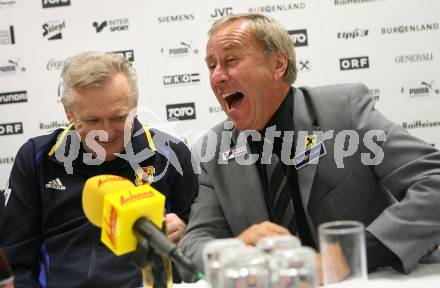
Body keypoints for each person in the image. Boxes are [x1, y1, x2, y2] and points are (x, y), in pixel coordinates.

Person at [179, 13, 440, 281]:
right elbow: (194, 243)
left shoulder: (345, 110)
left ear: (278, 64)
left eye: (231, 60)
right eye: (211, 66)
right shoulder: (216, 148)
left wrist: (348, 256)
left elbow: (435, 182)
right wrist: (232, 250)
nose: (217, 77)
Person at [0, 51, 198, 287]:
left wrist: (185, 233)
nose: (105, 132)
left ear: (134, 105)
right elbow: (16, 260)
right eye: (92, 120)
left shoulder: (171, 154)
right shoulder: (35, 157)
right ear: (68, 112)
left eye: (118, 117)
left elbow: (200, 244)